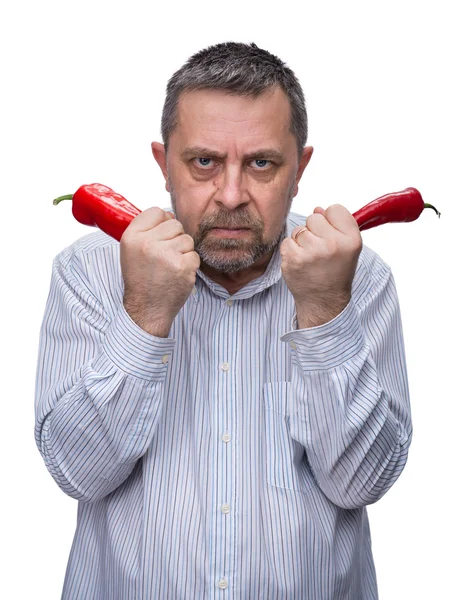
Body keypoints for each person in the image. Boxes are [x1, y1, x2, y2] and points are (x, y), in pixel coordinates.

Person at [34, 41, 412, 600]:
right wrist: (146, 315)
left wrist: (324, 314)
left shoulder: (358, 276)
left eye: (261, 163)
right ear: (163, 165)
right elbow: (78, 473)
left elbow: (361, 482)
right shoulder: (88, 272)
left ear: (300, 169)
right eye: (203, 162)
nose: (231, 195)